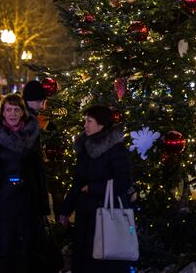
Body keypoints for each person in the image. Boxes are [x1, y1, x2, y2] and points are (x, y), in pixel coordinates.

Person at [0, 92, 50, 273]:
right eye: (8, 110)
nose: (12, 114)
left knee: (27, 253)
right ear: (2, 113)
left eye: (16, 110)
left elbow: (38, 169)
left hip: (28, 202)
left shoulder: (32, 136)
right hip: (3, 203)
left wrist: (42, 203)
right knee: (3, 252)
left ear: (22, 112)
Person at [60, 105, 133, 273]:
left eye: (89, 121)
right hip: (84, 216)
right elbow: (78, 181)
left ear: (101, 124)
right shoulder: (85, 147)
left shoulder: (115, 149)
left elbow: (124, 181)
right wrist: (65, 209)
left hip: (107, 214)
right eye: (85, 120)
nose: (85, 125)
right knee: (85, 260)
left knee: (103, 262)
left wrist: (93, 189)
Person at [23, 79, 65, 221]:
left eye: (44, 102)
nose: (42, 105)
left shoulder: (44, 120)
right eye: (40, 101)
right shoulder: (25, 121)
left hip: (50, 164)